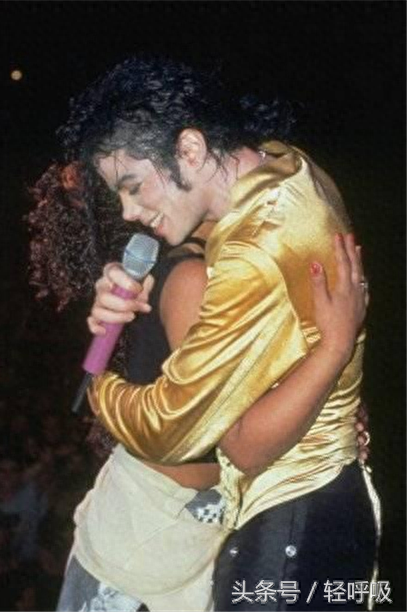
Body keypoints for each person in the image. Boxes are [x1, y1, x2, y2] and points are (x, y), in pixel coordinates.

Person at [57, 57, 380, 610]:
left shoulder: (246, 256)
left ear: (190, 149)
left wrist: (98, 384)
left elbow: (185, 432)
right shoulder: (288, 165)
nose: (128, 212)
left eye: (133, 187)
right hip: (316, 507)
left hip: (284, 522)